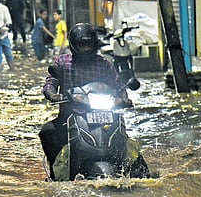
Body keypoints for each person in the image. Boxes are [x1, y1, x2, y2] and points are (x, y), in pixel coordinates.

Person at [38, 23, 132, 179]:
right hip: (71, 116)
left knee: (127, 144)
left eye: (89, 45)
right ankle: (55, 175)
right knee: (47, 133)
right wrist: (53, 95)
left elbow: (118, 84)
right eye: (82, 45)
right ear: (74, 45)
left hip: (105, 115)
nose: (86, 49)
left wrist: (124, 97)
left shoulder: (104, 63)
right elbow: (51, 83)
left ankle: (140, 174)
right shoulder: (63, 62)